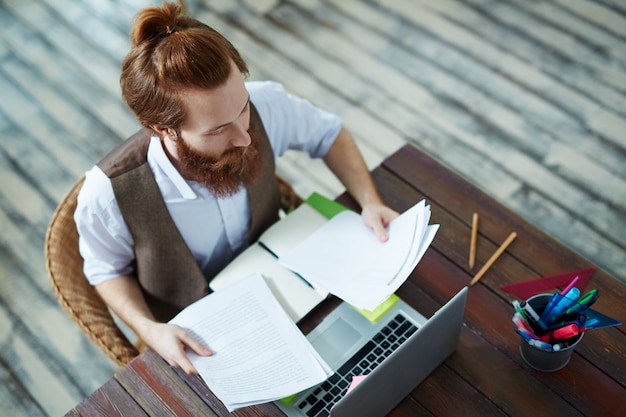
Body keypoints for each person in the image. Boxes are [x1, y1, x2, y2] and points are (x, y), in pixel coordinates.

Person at [74, 2, 398, 375]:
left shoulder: (265, 104)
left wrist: (370, 202)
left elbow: (329, 135)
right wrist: (149, 330)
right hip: (200, 338)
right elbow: (104, 270)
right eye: (217, 130)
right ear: (163, 129)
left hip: (289, 287)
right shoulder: (107, 194)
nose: (245, 136)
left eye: (242, 108)